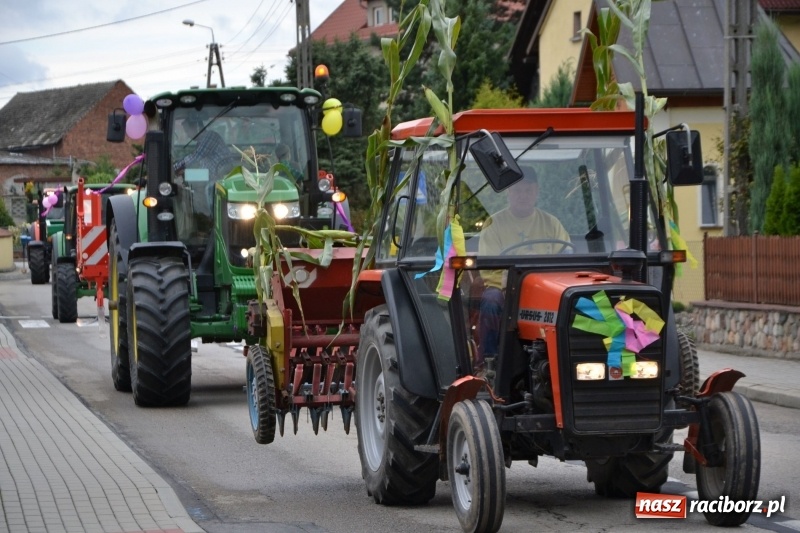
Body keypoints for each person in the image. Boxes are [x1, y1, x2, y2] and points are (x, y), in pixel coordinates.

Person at [475, 165, 571, 370]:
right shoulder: (494, 224)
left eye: (528, 190)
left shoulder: (551, 223)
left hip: (545, 292)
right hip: (507, 291)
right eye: (518, 190)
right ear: (508, 193)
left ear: (536, 192)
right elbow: (488, 270)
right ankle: (488, 364)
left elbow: (566, 259)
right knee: (491, 300)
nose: (523, 195)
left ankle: (567, 362)